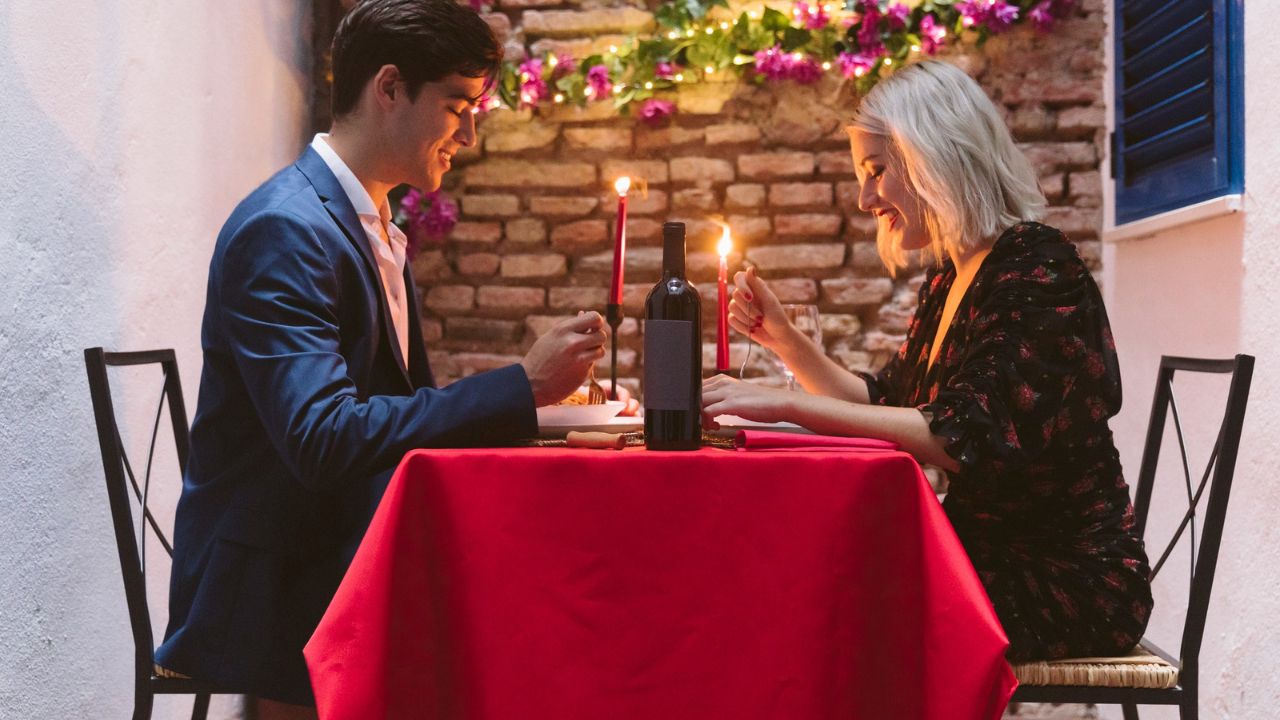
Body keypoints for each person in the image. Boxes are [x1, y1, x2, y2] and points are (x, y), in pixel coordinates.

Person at [154, 0, 607, 713]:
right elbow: (324, 438)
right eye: (458, 105)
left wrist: (548, 410)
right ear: (389, 87)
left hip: (339, 544)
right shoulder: (286, 229)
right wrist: (518, 386)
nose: (470, 132)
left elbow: (381, 411)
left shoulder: (368, 221)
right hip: (285, 582)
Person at [702, 60, 1152, 662]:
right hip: (982, 550)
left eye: (876, 171)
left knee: (830, 603)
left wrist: (788, 405)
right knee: (802, 572)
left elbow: (962, 438)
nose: (865, 199)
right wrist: (783, 339)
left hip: (1064, 578)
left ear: (933, 155)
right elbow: (889, 404)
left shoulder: (1038, 267)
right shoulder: (953, 274)